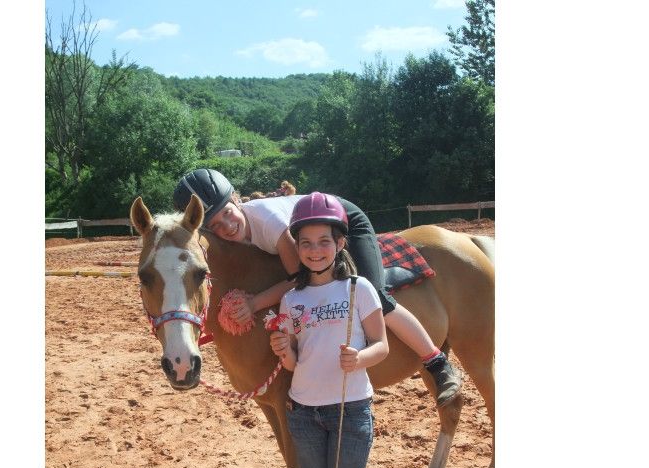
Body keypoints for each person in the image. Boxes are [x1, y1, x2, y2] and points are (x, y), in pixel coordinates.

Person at [172, 168, 462, 407]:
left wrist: (254, 303)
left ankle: (435, 362)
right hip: (307, 231)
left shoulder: (270, 224)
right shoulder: (234, 239)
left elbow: (300, 279)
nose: (226, 226)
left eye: (227, 212)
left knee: (377, 295)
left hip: (343, 218)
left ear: (236, 199)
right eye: (215, 225)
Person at [268, 196, 388, 468]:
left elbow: (382, 345)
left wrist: (360, 359)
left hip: (349, 411)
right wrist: (285, 351)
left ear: (339, 244)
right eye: (306, 242)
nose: (314, 250)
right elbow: (294, 364)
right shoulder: (292, 300)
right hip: (303, 413)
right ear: (297, 248)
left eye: (323, 241)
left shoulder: (359, 288)